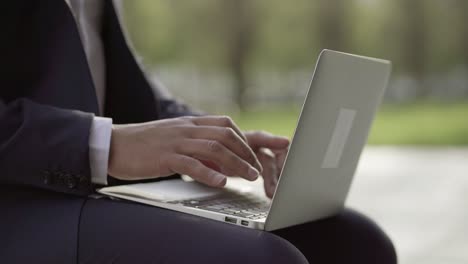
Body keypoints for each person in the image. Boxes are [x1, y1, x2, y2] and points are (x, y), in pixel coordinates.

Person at [0, 0, 397, 263]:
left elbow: (124, 88)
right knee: (265, 259)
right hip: (18, 203)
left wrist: (209, 138)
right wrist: (105, 145)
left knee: (355, 241)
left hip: (94, 193)